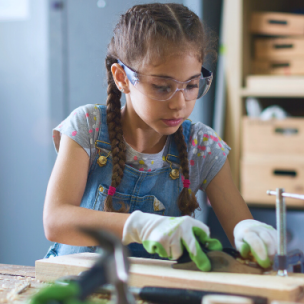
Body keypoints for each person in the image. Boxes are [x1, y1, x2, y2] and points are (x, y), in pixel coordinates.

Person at [43, 3, 277, 271]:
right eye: (162, 86)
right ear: (122, 78)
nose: (179, 104)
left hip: (157, 303)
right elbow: (55, 221)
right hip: (73, 292)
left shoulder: (201, 146)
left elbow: (239, 228)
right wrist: (141, 226)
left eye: (191, 85)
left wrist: (250, 231)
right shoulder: (88, 127)